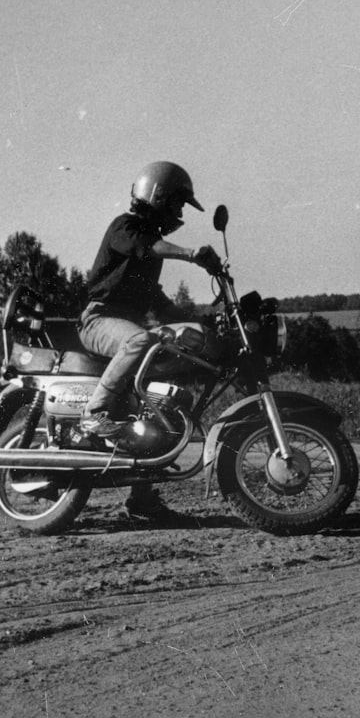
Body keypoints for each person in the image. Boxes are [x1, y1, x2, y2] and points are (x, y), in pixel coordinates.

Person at [78, 161, 221, 519]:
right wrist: (191, 255)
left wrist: (202, 321)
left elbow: (155, 299)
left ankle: (141, 499)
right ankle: (93, 413)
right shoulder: (125, 227)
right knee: (141, 341)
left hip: (127, 327)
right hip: (99, 321)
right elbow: (146, 246)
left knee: (163, 400)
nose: (178, 213)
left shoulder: (147, 247)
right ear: (157, 195)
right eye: (176, 204)